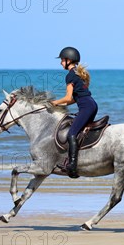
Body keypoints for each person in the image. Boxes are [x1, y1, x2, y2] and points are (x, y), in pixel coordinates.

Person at [51, 47, 98, 178]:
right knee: (80, 132)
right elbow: (74, 99)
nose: (60, 63)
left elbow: (67, 97)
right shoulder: (79, 73)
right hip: (91, 104)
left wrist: (55, 102)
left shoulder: (70, 75)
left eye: (62, 60)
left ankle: (72, 165)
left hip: (86, 107)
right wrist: (59, 104)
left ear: (68, 60)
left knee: (71, 133)